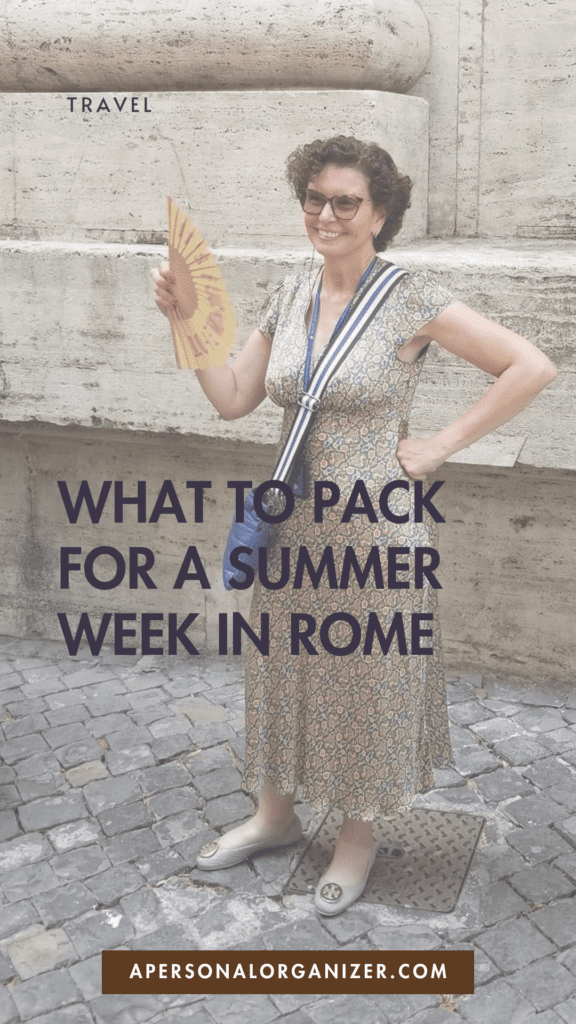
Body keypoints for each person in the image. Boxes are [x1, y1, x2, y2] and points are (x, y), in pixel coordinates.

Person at [152, 135, 556, 916]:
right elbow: (235, 396)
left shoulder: (407, 298)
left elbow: (529, 366)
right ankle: (275, 815)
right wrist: (189, 325)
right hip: (290, 524)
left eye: (345, 202)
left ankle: (356, 838)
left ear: (379, 215)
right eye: (315, 198)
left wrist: (439, 445)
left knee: (364, 682)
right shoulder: (290, 289)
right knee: (281, 667)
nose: (326, 214)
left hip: (373, 532)